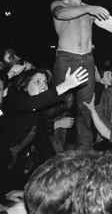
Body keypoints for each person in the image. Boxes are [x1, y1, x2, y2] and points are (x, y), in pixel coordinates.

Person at [0, 66, 88, 205]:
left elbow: (45, 146)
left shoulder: (37, 115)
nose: (43, 85)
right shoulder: (13, 100)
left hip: (13, 171)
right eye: (37, 82)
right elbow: (33, 103)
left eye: (45, 82)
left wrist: (65, 167)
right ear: (24, 86)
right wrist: (66, 85)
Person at [51, 0, 110, 150]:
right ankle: (54, 151)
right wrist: (87, 9)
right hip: (66, 58)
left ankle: (85, 149)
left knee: (86, 106)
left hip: (87, 59)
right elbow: (60, 14)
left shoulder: (90, 10)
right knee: (61, 104)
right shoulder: (59, 4)